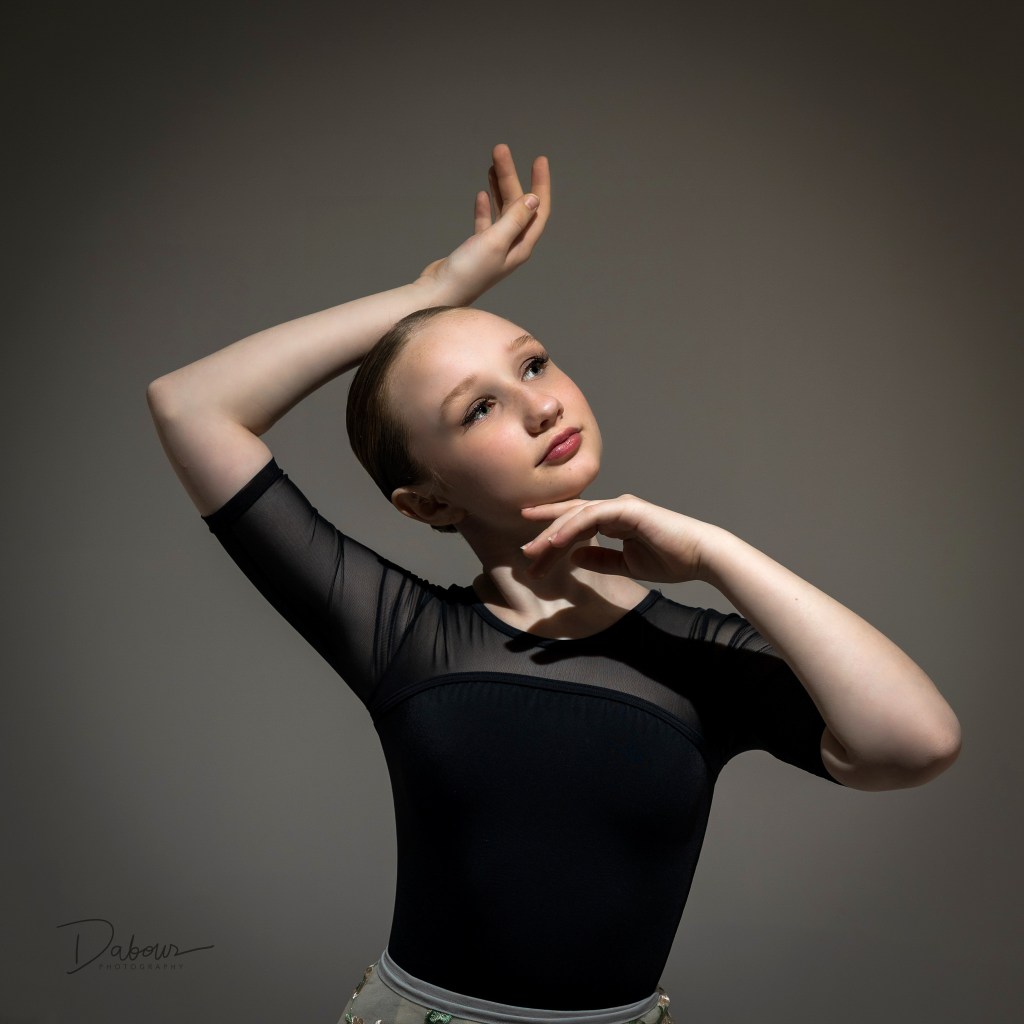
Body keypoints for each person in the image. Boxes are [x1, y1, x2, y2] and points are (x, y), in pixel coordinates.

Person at [147, 144, 961, 1024]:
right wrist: (432, 296)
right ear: (425, 502)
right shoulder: (397, 633)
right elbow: (191, 405)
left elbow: (915, 743)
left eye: (532, 364)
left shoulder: (697, 654)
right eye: (478, 407)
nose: (541, 404)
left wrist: (720, 554)